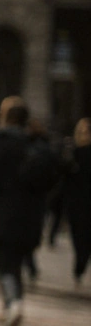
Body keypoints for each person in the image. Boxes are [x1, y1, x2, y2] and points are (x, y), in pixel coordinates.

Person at [0, 97, 59, 326]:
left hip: (5, 209)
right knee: (19, 259)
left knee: (6, 261)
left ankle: (12, 303)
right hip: (33, 212)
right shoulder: (36, 143)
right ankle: (13, 303)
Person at [66, 118, 91, 286]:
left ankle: (79, 267)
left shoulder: (74, 153)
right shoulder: (73, 153)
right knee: (81, 239)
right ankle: (79, 267)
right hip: (77, 203)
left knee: (81, 239)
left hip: (78, 203)